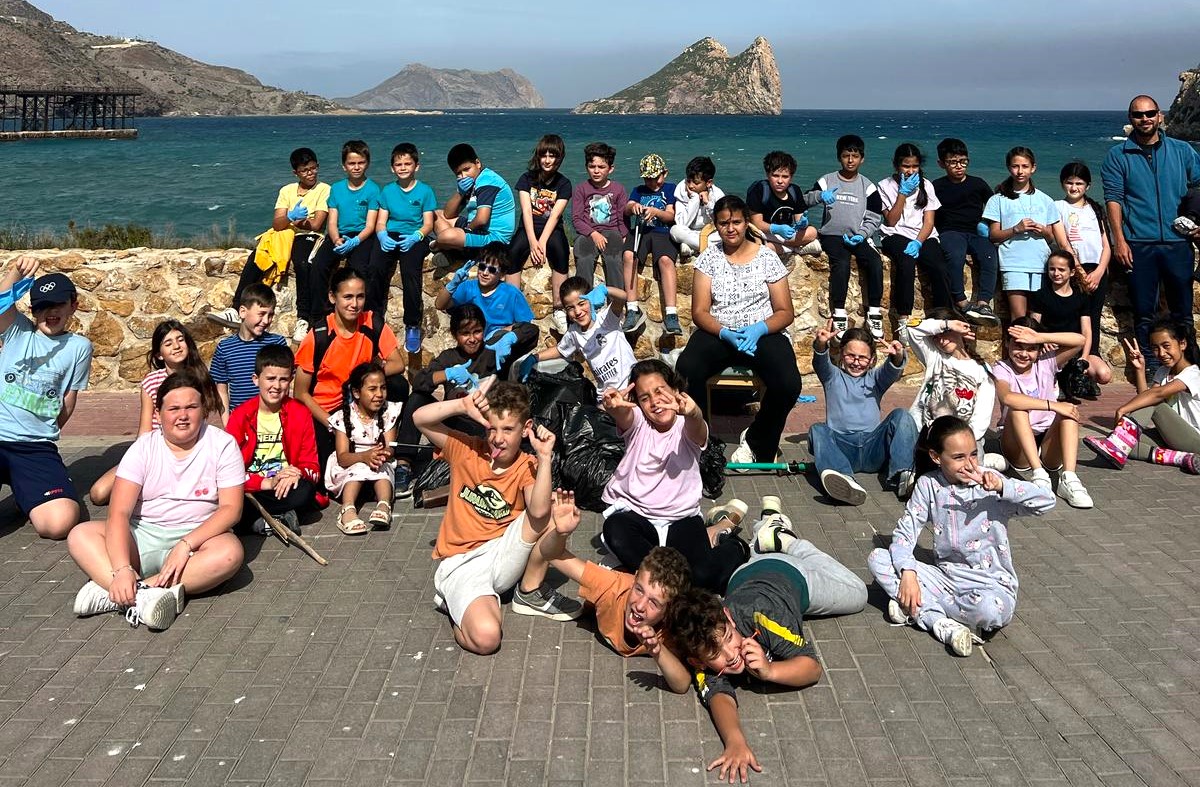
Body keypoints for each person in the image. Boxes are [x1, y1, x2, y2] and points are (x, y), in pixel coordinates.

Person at [665, 500, 867, 783]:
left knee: (858, 594)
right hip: (742, 576)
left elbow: (812, 668)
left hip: (790, 574)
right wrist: (735, 742)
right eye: (716, 654)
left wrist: (772, 672)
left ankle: (787, 541)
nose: (731, 654)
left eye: (728, 638)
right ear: (697, 661)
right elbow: (718, 696)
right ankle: (761, 539)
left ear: (728, 617)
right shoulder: (701, 651)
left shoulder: (765, 619)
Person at [68, 372, 245, 631]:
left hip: (198, 539)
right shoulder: (143, 448)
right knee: (80, 535)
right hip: (142, 535)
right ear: (159, 414)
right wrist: (121, 569)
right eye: (173, 408)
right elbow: (118, 512)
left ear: (204, 410)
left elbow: (231, 509)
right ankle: (139, 593)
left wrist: (186, 544)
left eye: (191, 407)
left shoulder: (223, 444)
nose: (182, 415)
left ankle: (124, 594)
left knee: (230, 555)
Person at [415, 379, 582, 654]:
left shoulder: (526, 464)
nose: (498, 438)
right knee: (487, 639)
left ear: (525, 429)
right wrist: (462, 405)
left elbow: (538, 514)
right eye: (492, 428)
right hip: (463, 563)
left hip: (503, 552)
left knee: (553, 512)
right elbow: (420, 419)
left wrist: (544, 458)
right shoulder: (466, 449)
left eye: (508, 429)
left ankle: (528, 593)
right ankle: (457, 604)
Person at [868, 415, 1054, 657]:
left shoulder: (991, 483)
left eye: (973, 454)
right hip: (946, 577)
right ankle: (940, 623)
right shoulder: (928, 485)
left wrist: (1002, 488)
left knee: (991, 612)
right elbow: (905, 534)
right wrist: (909, 573)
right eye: (958, 457)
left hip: (990, 584)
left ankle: (918, 609)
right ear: (936, 457)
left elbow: (1046, 502)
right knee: (878, 559)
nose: (969, 464)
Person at [599, 359, 749, 594]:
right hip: (638, 515)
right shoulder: (639, 423)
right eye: (644, 397)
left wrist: (694, 412)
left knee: (703, 576)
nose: (654, 402)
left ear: (676, 391)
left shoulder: (686, 426)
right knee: (615, 529)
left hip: (681, 519)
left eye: (660, 391)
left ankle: (732, 545)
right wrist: (614, 405)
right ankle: (665, 584)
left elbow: (697, 426)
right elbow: (624, 416)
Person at [676, 195, 801, 466]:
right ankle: (703, 439)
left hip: (761, 332)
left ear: (746, 223)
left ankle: (758, 440)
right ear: (716, 226)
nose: (730, 228)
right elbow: (700, 311)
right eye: (723, 223)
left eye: (736, 222)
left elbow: (784, 311)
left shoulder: (767, 257)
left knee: (789, 384)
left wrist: (759, 328)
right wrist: (724, 333)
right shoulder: (708, 258)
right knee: (687, 370)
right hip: (719, 331)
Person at [1102, 95, 1200, 377]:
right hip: (1138, 245)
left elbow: (1198, 185)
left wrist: (1196, 219)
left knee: (1183, 314)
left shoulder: (1182, 151)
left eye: (1150, 113)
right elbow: (1114, 199)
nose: (1144, 119)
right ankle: (1152, 376)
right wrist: (1119, 240)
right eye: (1138, 115)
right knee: (1144, 314)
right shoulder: (1117, 156)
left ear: (1160, 116)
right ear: (1130, 119)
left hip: (1177, 243)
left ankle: (1191, 374)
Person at [0, 257, 93, 540]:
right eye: (41, 306)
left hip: (35, 447)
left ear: (73, 305)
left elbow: (68, 400)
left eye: (57, 304)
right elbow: (1, 302)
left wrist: (44, 431)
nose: (49, 312)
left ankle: (25, 492)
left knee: (59, 523)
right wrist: (15, 271)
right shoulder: (18, 330)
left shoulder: (80, 347)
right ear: (32, 310)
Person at [92, 320, 222, 506]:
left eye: (180, 340)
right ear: (159, 355)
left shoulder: (200, 378)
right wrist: (140, 459)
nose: (176, 346)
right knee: (99, 493)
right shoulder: (151, 382)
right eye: (168, 343)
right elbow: (145, 429)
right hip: (155, 448)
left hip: (190, 448)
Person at [294, 267, 407, 473]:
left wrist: (365, 375)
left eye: (360, 297)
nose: (354, 304)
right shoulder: (318, 335)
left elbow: (397, 364)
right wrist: (331, 423)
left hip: (359, 399)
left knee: (398, 385)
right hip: (327, 410)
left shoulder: (372, 323)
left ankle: (393, 451)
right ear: (332, 297)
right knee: (322, 472)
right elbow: (300, 392)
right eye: (347, 297)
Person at [211, 147, 329, 342]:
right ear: (296, 173)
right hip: (283, 234)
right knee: (257, 258)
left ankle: (303, 318)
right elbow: (277, 223)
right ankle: (235, 308)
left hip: (307, 235)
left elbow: (316, 224)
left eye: (313, 168)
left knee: (302, 264)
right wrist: (291, 217)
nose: (310, 173)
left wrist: (300, 222)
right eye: (305, 170)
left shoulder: (324, 189)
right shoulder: (287, 190)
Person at [392, 304, 498, 494]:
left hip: (484, 426)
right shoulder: (449, 357)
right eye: (465, 333)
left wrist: (510, 335)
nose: (472, 339)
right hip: (454, 424)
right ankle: (403, 464)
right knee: (417, 398)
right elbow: (419, 382)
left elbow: (529, 331)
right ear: (455, 334)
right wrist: (447, 374)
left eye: (477, 331)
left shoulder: (493, 355)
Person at [809, 322, 917, 505]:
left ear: (872, 360)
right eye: (851, 356)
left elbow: (892, 369)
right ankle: (844, 480)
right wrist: (821, 345)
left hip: (873, 448)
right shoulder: (831, 376)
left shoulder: (876, 378)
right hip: (842, 448)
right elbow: (820, 361)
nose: (856, 362)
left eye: (862, 357)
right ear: (841, 355)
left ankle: (904, 476)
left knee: (902, 416)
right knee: (817, 429)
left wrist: (898, 356)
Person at [991, 319, 1092, 508]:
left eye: (1031, 349)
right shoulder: (1001, 368)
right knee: (1018, 409)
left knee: (1069, 411)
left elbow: (1080, 340)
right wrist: (1052, 405)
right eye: (1018, 347)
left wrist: (1040, 337)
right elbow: (1007, 398)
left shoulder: (1046, 362)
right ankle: (1038, 475)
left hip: (1047, 439)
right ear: (1007, 343)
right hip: (1017, 442)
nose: (1024, 354)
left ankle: (1069, 478)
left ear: (1039, 349)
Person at [225, 344, 320, 535]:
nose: (276, 386)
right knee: (229, 500)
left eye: (283, 380)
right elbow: (226, 469)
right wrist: (263, 483)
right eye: (270, 378)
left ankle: (261, 522)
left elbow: (312, 466)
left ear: (291, 380)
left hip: (285, 487)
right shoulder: (240, 415)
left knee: (305, 492)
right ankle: (279, 519)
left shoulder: (300, 413)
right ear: (256, 379)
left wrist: (298, 473)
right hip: (253, 486)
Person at [1084, 320, 1200, 473]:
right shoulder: (1163, 372)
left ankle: (1116, 445)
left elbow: (1156, 396)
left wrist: (1123, 410)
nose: (1161, 353)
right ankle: (1180, 458)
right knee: (1125, 443)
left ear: (1182, 344)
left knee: (1152, 404)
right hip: (1172, 438)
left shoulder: (1193, 373)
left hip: (1194, 440)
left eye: (1166, 346)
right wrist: (1140, 369)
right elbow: (1145, 398)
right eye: (1155, 348)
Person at [803, 134, 885, 338]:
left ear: (862, 159)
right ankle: (839, 312)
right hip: (831, 235)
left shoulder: (868, 186)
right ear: (839, 157)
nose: (850, 160)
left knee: (875, 261)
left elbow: (875, 217)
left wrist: (863, 234)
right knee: (842, 263)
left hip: (857, 236)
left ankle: (874, 312)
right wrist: (821, 195)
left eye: (855, 156)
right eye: (846, 155)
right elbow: (805, 200)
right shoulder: (827, 180)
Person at [983, 146, 1072, 319]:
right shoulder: (998, 199)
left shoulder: (1045, 200)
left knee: (1038, 318)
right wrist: (1016, 229)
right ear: (1009, 168)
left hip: (1040, 263)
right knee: (1018, 318)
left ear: (1033, 168)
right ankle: (1015, 347)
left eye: (1024, 166)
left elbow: (1051, 237)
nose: (1020, 171)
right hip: (1013, 263)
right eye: (1015, 166)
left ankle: (1035, 347)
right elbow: (993, 235)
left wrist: (1044, 231)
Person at [878, 142, 954, 331]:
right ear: (897, 165)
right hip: (895, 234)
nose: (911, 171)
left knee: (939, 266)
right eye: (906, 166)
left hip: (922, 235)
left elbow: (929, 221)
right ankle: (903, 319)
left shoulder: (926, 185)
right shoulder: (884, 186)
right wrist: (902, 194)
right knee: (906, 262)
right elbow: (891, 221)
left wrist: (919, 242)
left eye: (914, 166)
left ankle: (942, 317)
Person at [433, 243, 538, 378]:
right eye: (482, 266)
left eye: (492, 270)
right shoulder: (468, 287)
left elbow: (526, 326)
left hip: (501, 346)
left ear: (502, 275)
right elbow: (440, 304)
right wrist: (452, 285)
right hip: (475, 344)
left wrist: (501, 333)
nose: (485, 272)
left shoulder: (511, 293)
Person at [519, 278, 634, 398]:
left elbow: (622, 298)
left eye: (581, 303)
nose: (578, 311)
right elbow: (560, 350)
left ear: (591, 299)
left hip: (631, 385)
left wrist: (604, 289)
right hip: (607, 396)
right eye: (570, 308)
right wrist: (534, 358)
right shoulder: (574, 333)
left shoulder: (606, 319)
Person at [372, 142, 437, 353]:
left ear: (416, 166)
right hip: (391, 234)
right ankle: (374, 314)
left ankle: (412, 324)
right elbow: (381, 221)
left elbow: (428, 224)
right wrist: (381, 235)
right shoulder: (388, 191)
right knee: (375, 267)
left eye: (407, 163)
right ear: (392, 168)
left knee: (410, 271)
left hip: (415, 236)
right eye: (398, 164)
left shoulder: (425, 191)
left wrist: (416, 236)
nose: (403, 167)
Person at [904, 308, 996, 456]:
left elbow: (981, 419)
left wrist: (954, 442)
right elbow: (911, 328)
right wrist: (946, 325)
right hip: (923, 433)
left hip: (961, 440)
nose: (941, 340)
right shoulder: (934, 355)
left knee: (971, 461)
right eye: (936, 337)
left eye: (945, 334)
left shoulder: (982, 370)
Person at [325, 361, 401, 534]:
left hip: (377, 459)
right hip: (351, 462)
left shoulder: (389, 411)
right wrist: (364, 457)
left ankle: (384, 505)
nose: (380, 394)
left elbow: (391, 447)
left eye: (383, 388)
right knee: (358, 468)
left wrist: (383, 454)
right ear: (357, 393)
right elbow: (343, 457)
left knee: (383, 468)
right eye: (372, 389)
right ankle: (348, 509)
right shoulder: (343, 417)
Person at [311, 140, 382, 321]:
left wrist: (356, 241)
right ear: (344, 166)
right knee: (319, 265)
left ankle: (365, 315)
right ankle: (322, 315)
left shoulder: (373, 189)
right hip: (339, 235)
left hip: (362, 236)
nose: (356, 167)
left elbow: (370, 225)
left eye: (361, 163)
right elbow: (332, 222)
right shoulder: (336, 189)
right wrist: (336, 240)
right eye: (352, 163)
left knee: (360, 269)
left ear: (367, 163)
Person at [932, 138, 1001, 325]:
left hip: (976, 232)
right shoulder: (936, 186)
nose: (959, 166)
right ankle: (961, 302)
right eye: (953, 162)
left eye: (963, 161)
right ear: (941, 163)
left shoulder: (978, 184)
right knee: (955, 256)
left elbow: (995, 206)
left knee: (989, 256)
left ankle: (983, 304)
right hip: (949, 231)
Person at [1057, 161, 1113, 385]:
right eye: (1069, 183)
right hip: (1074, 270)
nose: (1074, 187)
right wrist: (1078, 271)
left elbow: (1106, 245)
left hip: (1096, 269)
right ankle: (1071, 366)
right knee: (1074, 317)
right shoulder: (1058, 206)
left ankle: (1089, 362)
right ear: (1063, 184)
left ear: (1087, 186)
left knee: (1094, 317)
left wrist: (1099, 271)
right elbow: (1063, 242)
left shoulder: (1095, 209)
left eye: (1079, 183)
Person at [509, 134, 572, 331]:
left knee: (561, 252)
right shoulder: (526, 179)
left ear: (559, 158)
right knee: (513, 253)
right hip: (528, 227)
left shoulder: (564, 184)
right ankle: (513, 308)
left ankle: (559, 309)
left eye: (552, 155)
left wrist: (542, 242)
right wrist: (532, 241)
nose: (547, 160)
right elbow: (526, 211)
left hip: (551, 229)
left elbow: (554, 216)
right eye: (543, 155)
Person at [209, 283, 288, 421]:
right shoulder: (225, 348)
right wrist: (229, 427)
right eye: (261, 314)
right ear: (243, 312)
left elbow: (284, 386)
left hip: (272, 420)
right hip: (240, 421)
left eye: (270, 315)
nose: (266, 321)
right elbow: (221, 391)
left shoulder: (277, 344)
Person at [621, 153, 680, 335]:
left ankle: (671, 313)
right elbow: (627, 207)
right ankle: (632, 308)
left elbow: (671, 215)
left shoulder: (670, 189)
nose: (652, 183)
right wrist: (634, 208)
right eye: (648, 179)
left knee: (665, 261)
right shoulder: (639, 190)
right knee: (629, 255)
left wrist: (656, 212)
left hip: (663, 232)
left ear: (665, 174)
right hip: (642, 230)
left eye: (656, 178)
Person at [431, 143, 516, 253]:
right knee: (435, 215)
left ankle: (441, 246)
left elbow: (481, 219)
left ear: (477, 163)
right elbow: (448, 214)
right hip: (477, 229)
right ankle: (453, 249)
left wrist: (466, 230)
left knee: (446, 236)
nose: (464, 176)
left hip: (494, 238)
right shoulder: (471, 182)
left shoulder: (487, 181)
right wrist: (460, 192)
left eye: (467, 169)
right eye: (458, 173)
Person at [571, 142, 629, 297]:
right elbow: (576, 219)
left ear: (610, 168)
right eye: (592, 166)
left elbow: (622, 217)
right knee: (584, 258)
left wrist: (624, 236)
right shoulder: (581, 189)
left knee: (613, 260)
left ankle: (616, 303)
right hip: (587, 233)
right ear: (586, 167)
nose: (596, 171)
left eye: (601, 167)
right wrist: (593, 234)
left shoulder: (618, 189)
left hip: (612, 232)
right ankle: (585, 300)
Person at [745, 150, 818, 257]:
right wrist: (776, 229)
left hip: (786, 234)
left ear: (791, 177)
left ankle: (787, 247)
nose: (780, 181)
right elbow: (757, 223)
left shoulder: (795, 191)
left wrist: (803, 223)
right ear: (768, 174)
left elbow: (799, 219)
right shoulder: (760, 189)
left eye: (785, 176)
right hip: (764, 232)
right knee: (762, 246)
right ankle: (794, 248)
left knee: (812, 232)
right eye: (775, 175)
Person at [1029, 251, 1091, 365]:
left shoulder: (1082, 297)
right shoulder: (1040, 296)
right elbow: (1034, 326)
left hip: (1074, 347)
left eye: (1061, 269)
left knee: (1103, 374)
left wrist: (1084, 357)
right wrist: (1043, 342)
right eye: (1052, 269)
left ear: (1072, 272)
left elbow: (1086, 330)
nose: (1056, 273)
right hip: (1049, 349)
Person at [670, 156, 724, 255]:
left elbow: (720, 221)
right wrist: (694, 199)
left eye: (696, 183)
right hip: (689, 232)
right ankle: (708, 247)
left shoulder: (717, 194)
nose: (690, 185)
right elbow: (682, 223)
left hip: (710, 233)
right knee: (675, 230)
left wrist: (708, 203)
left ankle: (692, 247)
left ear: (708, 183)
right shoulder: (682, 190)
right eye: (689, 181)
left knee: (724, 234)